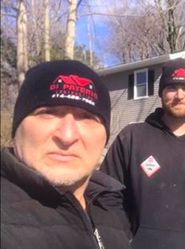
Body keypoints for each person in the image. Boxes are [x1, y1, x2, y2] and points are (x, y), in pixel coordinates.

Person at [1, 60, 132, 249]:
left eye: (87, 117)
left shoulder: (110, 210)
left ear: (105, 137)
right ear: (17, 129)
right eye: (48, 113)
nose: (67, 136)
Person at [101, 58, 185, 249]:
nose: (179, 95)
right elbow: (106, 194)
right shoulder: (132, 137)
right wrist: (122, 241)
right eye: (172, 87)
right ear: (161, 93)